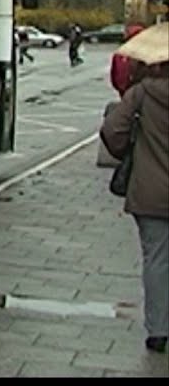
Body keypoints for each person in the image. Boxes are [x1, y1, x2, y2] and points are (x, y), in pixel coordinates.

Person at [100, 22, 169, 354]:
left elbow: (113, 131)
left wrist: (130, 149)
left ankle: (158, 330)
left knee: (156, 258)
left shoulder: (141, 94)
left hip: (149, 190)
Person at [111, 23, 147, 97]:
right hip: (138, 90)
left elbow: (114, 75)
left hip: (126, 90)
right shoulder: (148, 52)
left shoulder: (120, 53)